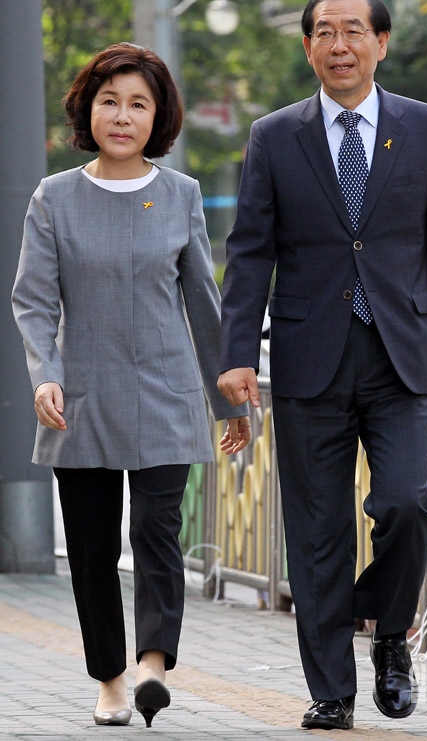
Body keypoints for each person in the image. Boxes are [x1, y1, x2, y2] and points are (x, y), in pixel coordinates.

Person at [217, 0, 427, 731]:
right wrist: (237, 354)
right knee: (317, 531)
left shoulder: (426, 127)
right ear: (308, 47)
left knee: (409, 502)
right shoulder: (275, 135)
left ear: (381, 43)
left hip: (404, 352)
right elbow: (250, 252)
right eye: (325, 33)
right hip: (309, 356)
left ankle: (390, 632)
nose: (339, 46)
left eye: (354, 31)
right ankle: (331, 690)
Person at [12, 42, 250, 728]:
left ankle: (152, 663)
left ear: (158, 117)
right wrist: (45, 377)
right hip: (79, 395)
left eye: (138, 104)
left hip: (166, 391)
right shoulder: (54, 197)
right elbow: (34, 300)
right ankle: (110, 680)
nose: (122, 116)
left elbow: (203, 301)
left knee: (155, 530)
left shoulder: (181, 194)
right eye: (109, 101)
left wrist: (226, 399)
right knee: (92, 548)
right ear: (88, 109)